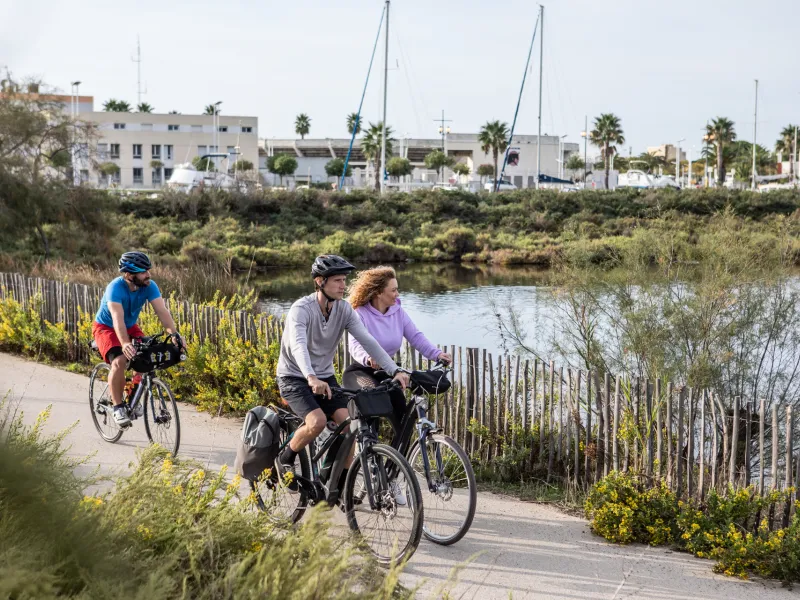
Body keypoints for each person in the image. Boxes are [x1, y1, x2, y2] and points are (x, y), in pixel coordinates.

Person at [275, 255, 410, 487]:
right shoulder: (301, 309)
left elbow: (368, 341)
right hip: (294, 376)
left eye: (343, 280)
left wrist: (394, 369)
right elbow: (298, 346)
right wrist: (310, 377)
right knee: (316, 422)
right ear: (320, 282)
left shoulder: (344, 310)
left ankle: (337, 485)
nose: (343, 285)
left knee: (349, 427)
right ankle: (285, 457)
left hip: (325, 376)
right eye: (337, 280)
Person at [344, 266, 451, 438]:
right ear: (379, 292)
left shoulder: (398, 312)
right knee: (373, 405)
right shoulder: (360, 314)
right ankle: (369, 456)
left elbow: (415, 337)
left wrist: (436, 354)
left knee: (403, 420)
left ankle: (397, 462)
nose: (397, 294)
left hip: (389, 370)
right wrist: (368, 358)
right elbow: (355, 344)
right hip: (361, 371)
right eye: (393, 290)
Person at [92, 251, 186, 427]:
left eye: (148, 270)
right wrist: (125, 343)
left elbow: (162, 311)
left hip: (129, 326)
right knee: (120, 361)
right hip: (106, 327)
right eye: (143, 272)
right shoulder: (115, 288)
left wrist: (174, 335)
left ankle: (132, 396)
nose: (148, 275)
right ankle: (118, 406)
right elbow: (117, 318)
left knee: (145, 356)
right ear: (128, 274)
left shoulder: (149, 286)